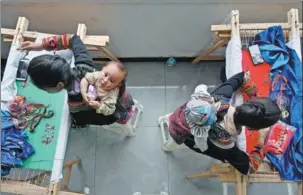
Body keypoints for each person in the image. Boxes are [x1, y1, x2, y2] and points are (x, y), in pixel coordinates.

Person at [167, 71, 281, 174]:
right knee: (219, 152)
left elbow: (242, 77)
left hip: (184, 115)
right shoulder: (224, 141)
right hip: (189, 138)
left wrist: (255, 98)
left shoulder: (218, 99)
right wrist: (261, 141)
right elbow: (249, 168)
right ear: (252, 128)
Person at [19, 34, 134, 128]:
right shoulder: (84, 64)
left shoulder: (75, 98)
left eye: (47, 90)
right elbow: (73, 39)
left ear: (59, 85)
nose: (47, 92)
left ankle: (79, 125)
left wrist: (77, 120)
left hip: (113, 113)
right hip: (121, 97)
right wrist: (40, 45)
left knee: (78, 118)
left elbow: (78, 113)